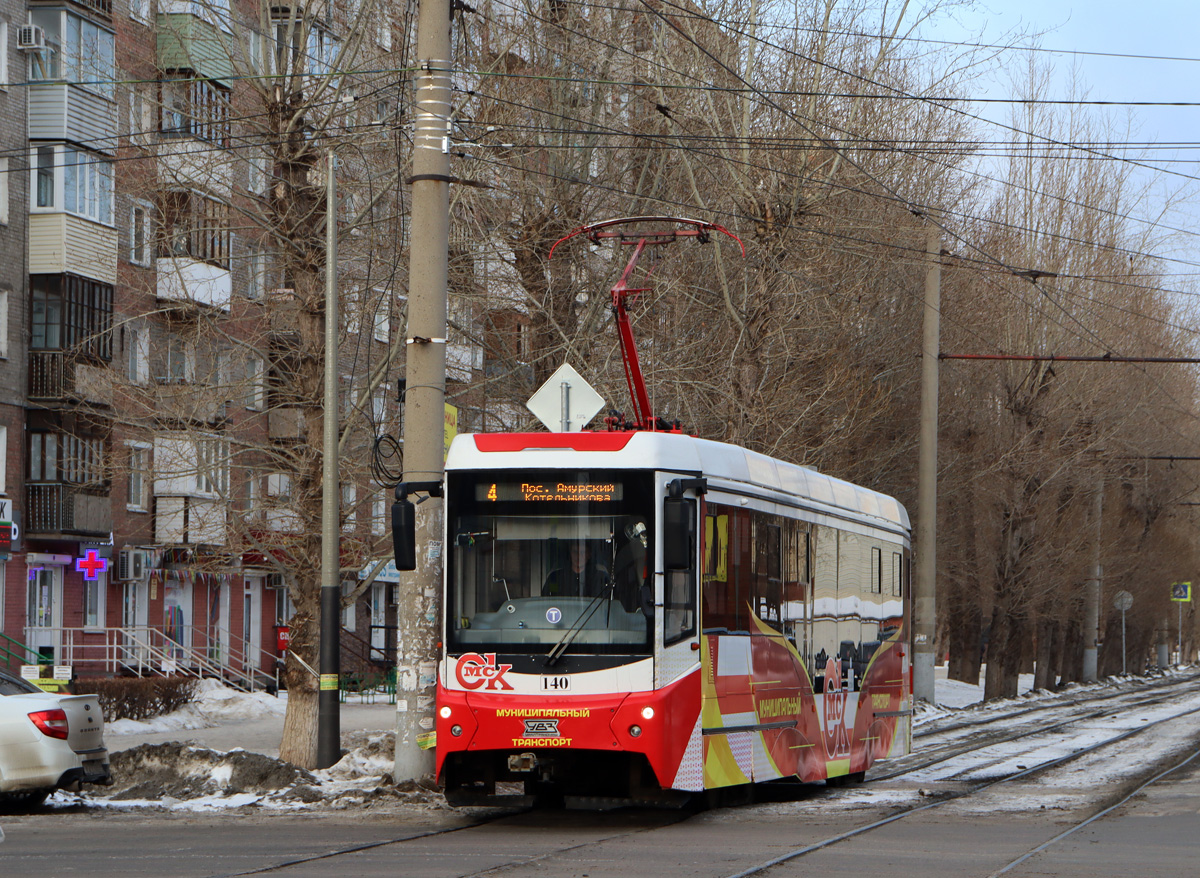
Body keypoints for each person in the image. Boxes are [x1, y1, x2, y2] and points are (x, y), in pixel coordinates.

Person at [542, 542, 610, 598]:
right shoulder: (555, 578)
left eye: (583, 552)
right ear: (570, 553)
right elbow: (546, 600)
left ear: (589, 554)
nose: (578, 556)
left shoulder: (600, 578)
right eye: (575, 552)